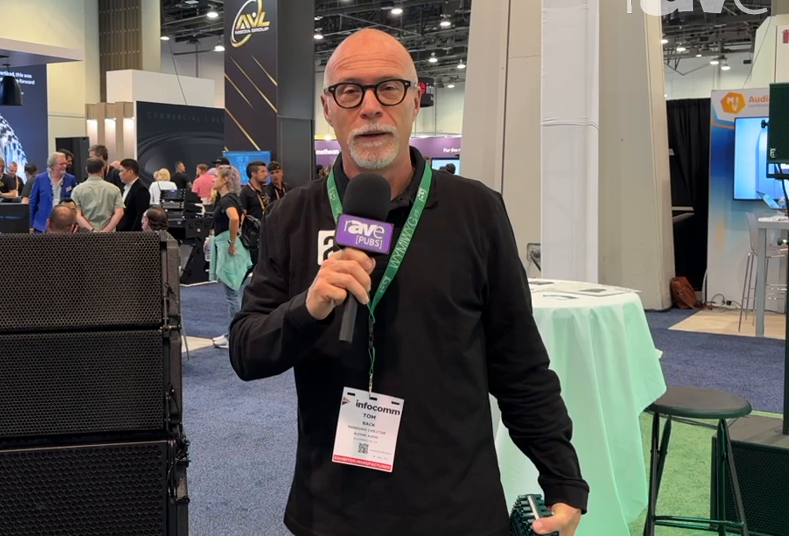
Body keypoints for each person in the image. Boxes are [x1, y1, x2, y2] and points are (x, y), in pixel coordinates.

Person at [228, 28, 586, 536]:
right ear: (328, 108)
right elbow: (246, 352)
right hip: (332, 509)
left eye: (389, 88)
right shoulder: (292, 216)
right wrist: (307, 308)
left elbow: (519, 361)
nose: (370, 106)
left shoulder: (476, 210)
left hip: (456, 508)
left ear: (416, 100)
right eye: (350, 91)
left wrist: (563, 480)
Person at [209, 165, 252, 350]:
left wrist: (231, 242)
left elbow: (234, 219)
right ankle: (231, 333)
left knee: (232, 295)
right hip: (229, 244)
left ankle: (235, 336)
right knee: (233, 293)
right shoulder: (233, 198)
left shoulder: (227, 200)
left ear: (225, 179)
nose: (213, 179)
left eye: (216, 176)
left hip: (229, 247)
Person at [27, 152, 77, 233]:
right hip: (41, 225)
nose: (65, 166)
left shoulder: (71, 179)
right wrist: (30, 226)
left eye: (65, 163)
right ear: (52, 166)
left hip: (64, 225)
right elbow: (32, 204)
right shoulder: (39, 179)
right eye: (61, 164)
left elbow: (74, 203)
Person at [72, 157, 125, 232]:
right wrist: (105, 231)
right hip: (109, 235)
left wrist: (92, 230)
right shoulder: (114, 189)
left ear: (86, 169)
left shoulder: (77, 190)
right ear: (102, 170)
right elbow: (119, 212)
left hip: (85, 234)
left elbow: (76, 215)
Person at [239, 161, 269, 265]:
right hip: (253, 238)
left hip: (266, 234)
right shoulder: (245, 192)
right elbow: (242, 215)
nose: (266, 174)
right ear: (254, 174)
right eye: (262, 172)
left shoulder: (265, 190)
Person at [119, 158, 151, 232]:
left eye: (121, 171)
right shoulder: (125, 188)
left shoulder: (141, 189)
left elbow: (140, 215)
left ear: (130, 172)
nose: (119, 174)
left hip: (132, 233)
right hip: (123, 231)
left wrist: (133, 234)